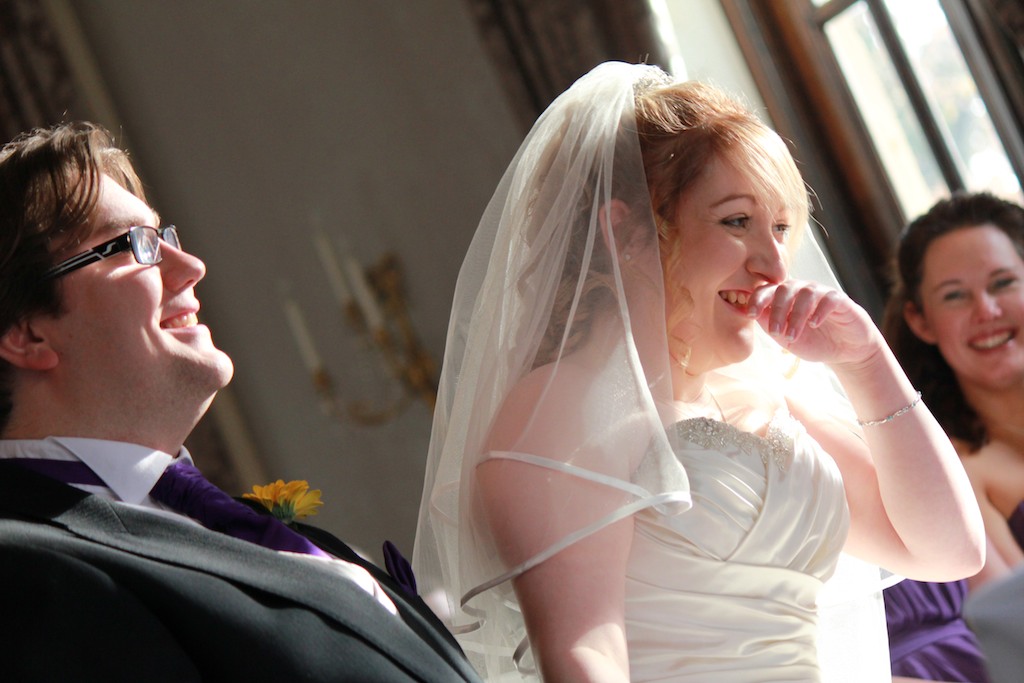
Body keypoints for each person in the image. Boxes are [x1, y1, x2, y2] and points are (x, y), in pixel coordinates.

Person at [411, 61, 984, 682]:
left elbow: (948, 549)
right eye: (736, 221)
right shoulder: (562, 408)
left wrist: (868, 362)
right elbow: (585, 657)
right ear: (625, 231)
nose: (772, 262)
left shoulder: (769, 395)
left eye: (782, 227)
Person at [0, 121, 481, 683]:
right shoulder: (25, 572)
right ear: (27, 333)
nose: (191, 267)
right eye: (134, 245)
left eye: (165, 238)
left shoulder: (238, 523)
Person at [880, 191, 1024, 682]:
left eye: (1003, 283)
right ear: (921, 320)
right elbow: (1013, 623)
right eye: (955, 295)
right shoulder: (953, 467)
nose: (986, 311)